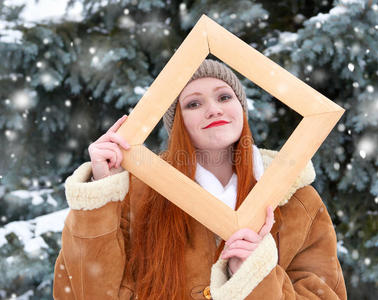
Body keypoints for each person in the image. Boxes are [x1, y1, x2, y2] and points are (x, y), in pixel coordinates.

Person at [53, 59, 347, 299]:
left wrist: (254, 275)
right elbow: (83, 293)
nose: (214, 109)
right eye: (194, 104)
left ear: (241, 109)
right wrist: (101, 195)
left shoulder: (297, 200)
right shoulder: (138, 194)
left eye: (224, 96)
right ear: (177, 123)